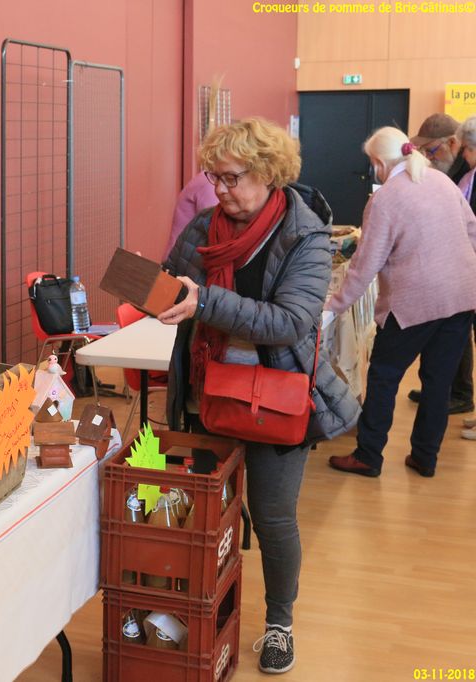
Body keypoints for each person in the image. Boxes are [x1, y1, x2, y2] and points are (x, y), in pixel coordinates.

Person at [159, 118, 359, 675]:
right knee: (206, 513)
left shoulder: (305, 236)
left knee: (272, 519)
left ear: (269, 173)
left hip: (275, 398)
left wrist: (203, 303)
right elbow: (176, 282)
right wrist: (155, 290)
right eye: (213, 177)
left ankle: (279, 624)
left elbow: (290, 322)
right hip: (208, 395)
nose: (219, 190)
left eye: (232, 178)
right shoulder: (204, 227)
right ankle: (206, 608)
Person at [326, 127, 476, 478]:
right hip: (460, 296)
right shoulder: (442, 181)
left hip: (413, 303)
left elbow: (365, 265)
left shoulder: (386, 198)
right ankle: (425, 457)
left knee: (383, 376)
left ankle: (368, 455)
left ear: (379, 162)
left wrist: (334, 306)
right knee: (438, 381)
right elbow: (472, 230)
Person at [404, 113, 475, 414]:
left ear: (453, 143)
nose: (429, 157)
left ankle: (458, 393)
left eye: (432, 150)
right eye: (424, 152)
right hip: (456, 264)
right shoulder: (456, 170)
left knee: (457, 331)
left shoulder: (465, 172)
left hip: (462, 265)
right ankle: (443, 389)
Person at [164, 170, 219, 256]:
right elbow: (215, 232)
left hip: (186, 255)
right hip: (182, 258)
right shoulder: (209, 184)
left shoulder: (209, 180)